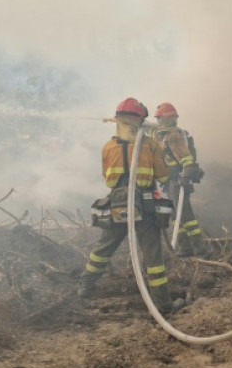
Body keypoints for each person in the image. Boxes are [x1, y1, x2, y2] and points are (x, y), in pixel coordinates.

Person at [78, 98, 184, 315]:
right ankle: (163, 305)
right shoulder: (150, 144)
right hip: (145, 207)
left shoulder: (108, 147)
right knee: (153, 258)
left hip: (117, 204)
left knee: (103, 249)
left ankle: (84, 286)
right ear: (140, 121)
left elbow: (107, 179)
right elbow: (163, 174)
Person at [150, 102, 212, 258]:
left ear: (164, 119)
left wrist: (185, 178)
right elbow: (150, 131)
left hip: (177, 180)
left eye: (160, 119)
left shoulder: (173, 136)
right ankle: (185, 248)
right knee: (175, 215)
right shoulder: (162, 135)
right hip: (169, 181)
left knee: (185, 215)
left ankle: (202, 249)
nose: (159, 122)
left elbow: (187, 160)